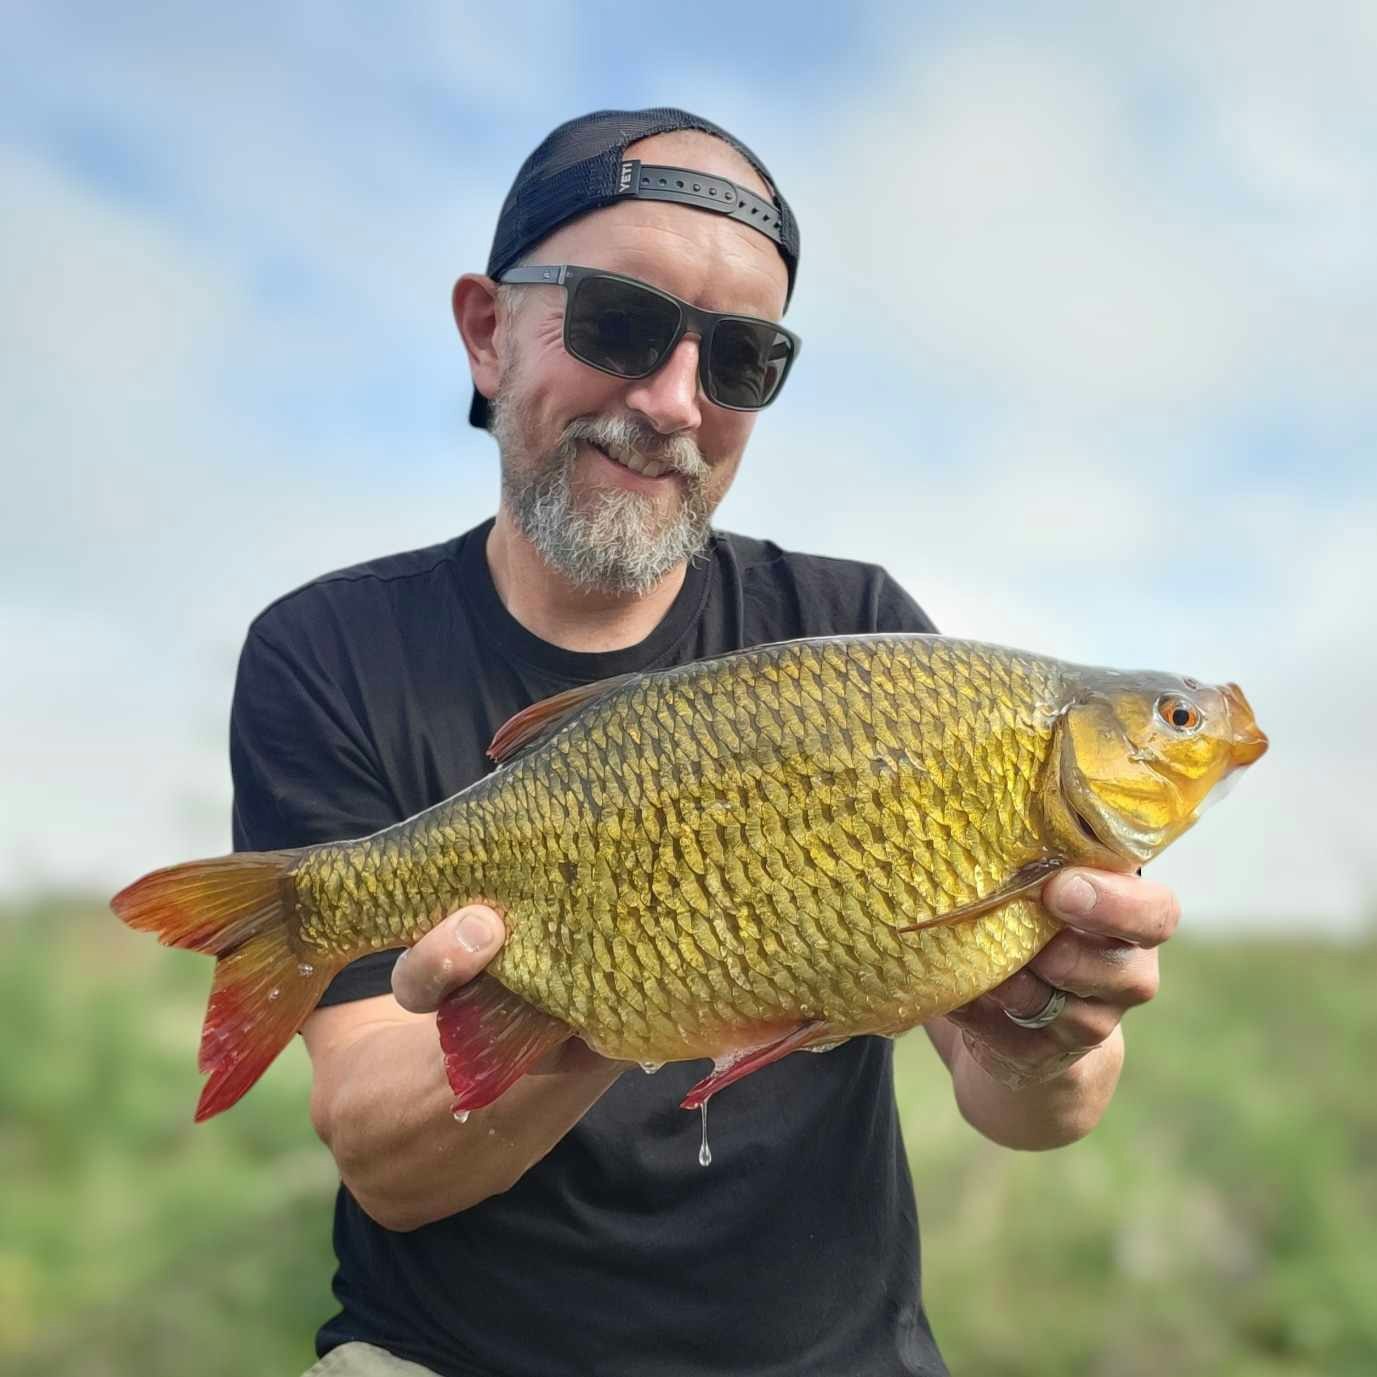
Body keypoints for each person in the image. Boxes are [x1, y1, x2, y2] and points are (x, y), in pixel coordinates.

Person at [229, 109, 1181, 1377]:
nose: (674, 400)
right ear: (484, 331)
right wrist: (611, 981)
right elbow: (386, 1165)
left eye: (742, 360)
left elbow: (1033, 1112)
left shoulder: (860, 637)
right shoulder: (325, 650)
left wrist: (1050, 1033)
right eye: (621, 324)